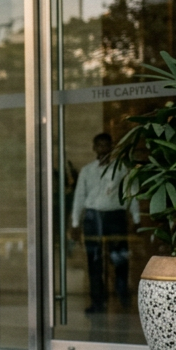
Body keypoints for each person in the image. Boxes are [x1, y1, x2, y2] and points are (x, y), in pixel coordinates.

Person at [71, 132, 139, 317]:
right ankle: (97, 302)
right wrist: (76, 223)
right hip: (93, 218)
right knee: (94, 261)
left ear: (112, 147)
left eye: (106, 145)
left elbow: (131, 192)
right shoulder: (87, 170)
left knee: (119, 259)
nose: (103, 149)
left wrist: (136, 218)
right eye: (99, 145)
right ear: (94, 148)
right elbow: (79, 197)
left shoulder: (122, 169)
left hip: (115, 217)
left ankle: (123, 298)